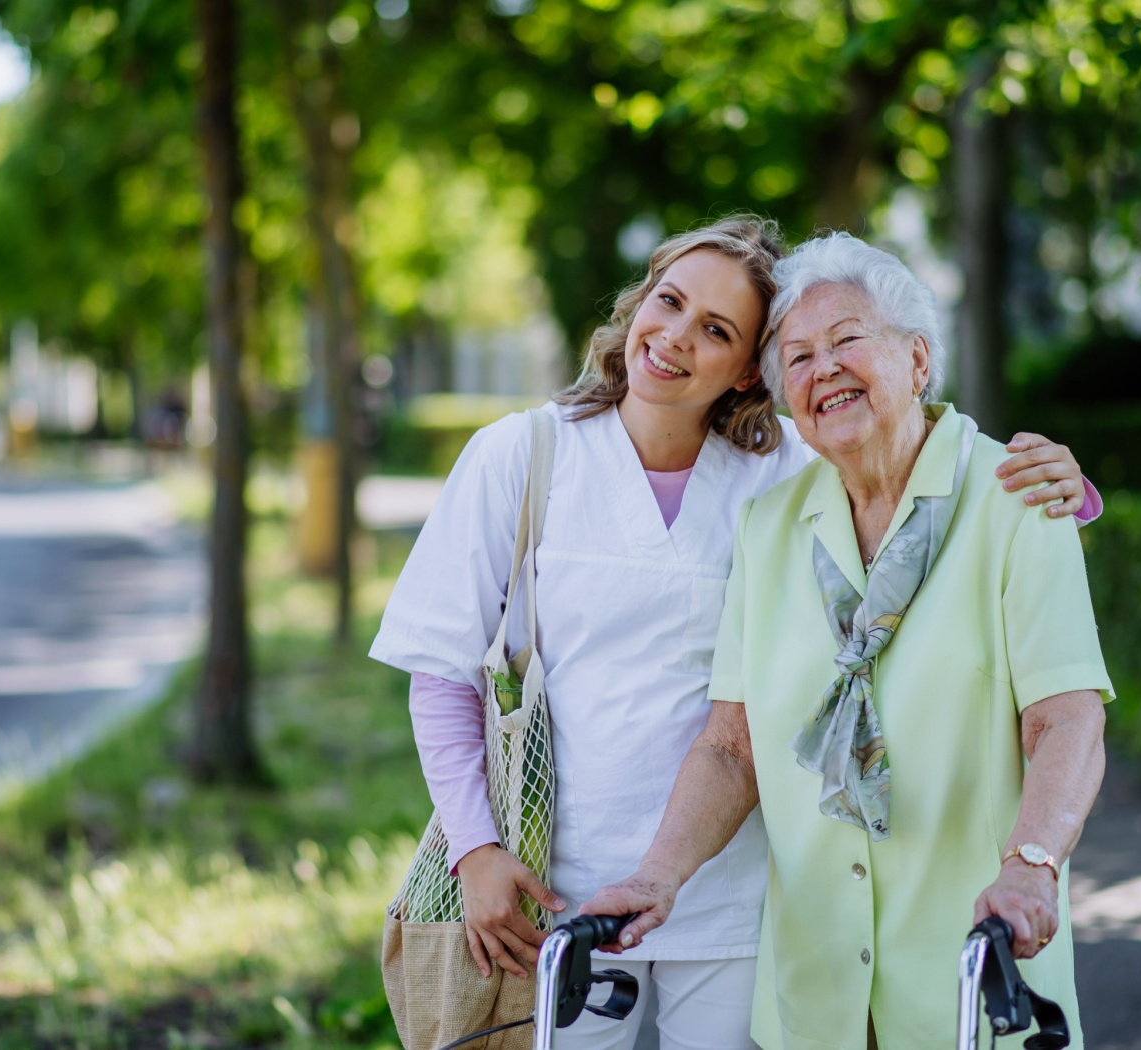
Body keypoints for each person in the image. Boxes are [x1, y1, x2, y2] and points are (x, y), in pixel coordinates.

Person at [371, 217, 1100, 1050]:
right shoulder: (547, 459)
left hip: (743, 899)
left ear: (749, 369)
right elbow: (447, 673)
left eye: (716, 330)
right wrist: (475, 849)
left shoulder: (785, 470)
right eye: (669, 302)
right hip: (567, 890)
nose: (676, 337)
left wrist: (1068, 492)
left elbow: (924, 466)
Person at [579, 230, 1112, 1050]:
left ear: (918, 361)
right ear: (784, 396)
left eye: (848, 339)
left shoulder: (1017, 500)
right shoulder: (772, 527)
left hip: (976, 970)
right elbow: (732, 747)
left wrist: (1031, 864)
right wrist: (657, 877)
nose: (822, 367)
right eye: (796, 356)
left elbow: (1066, 721)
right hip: (814, 1000)